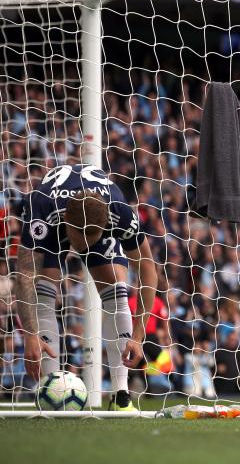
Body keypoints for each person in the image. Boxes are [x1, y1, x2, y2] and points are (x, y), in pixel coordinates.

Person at [15, 163, 157, 411]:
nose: (81, 248)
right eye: (79, 240)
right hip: (55, 217)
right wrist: (30, 335)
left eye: (88, 241)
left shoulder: (120, 212)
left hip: (93, 215)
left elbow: (147, 268)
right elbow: (25, 274)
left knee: (116, 287)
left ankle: (121, 396)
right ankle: (50, 390)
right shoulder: (42, 208)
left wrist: (138, 336)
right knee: (44, 287)